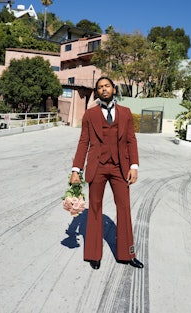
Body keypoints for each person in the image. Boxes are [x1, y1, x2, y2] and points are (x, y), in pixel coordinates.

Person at [70, 77, 143, 270]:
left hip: (120, 167)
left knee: (124, 208)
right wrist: (76, 169)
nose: (104, 89)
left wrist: (134, 166)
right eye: (100, 87)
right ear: (97, 91)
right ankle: (94, 254)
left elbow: (131, 140)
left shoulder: (126, 113)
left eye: (107, 86)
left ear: (113, 89)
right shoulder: (90, 115)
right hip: (98, 167)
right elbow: (83, 142)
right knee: (94, 209)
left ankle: (127, 254)